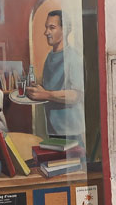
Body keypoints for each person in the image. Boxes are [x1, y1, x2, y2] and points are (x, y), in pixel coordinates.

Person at [25, 9, 84, 139]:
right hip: (52, 130)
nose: (46, 32)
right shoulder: (50, 56)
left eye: (52, 28)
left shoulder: (73, 57)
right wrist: (38, 88)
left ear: (65, 29)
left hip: (70, 131)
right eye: (46, 27)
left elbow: (76, 95)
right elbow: (53, 87)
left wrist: (45, 94)